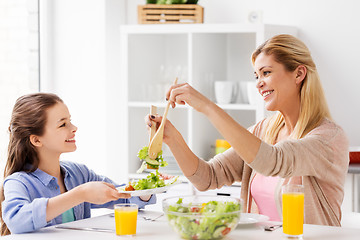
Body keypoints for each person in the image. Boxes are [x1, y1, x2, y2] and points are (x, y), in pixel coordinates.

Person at [145, 34, 349, 226]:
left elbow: (272, 161)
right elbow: (207, 177)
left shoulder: (328, 138)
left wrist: (207, 107)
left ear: (299, 74)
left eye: (266, 73)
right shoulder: (263, 130)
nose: (259, 83)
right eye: (256, 75)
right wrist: (172, 138)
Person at [0, 93, 155, 235]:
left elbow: (124, 198)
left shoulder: (79, 173)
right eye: (63, 124)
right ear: (36, 140)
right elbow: (16, 220)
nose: (74, 128)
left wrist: (148, 187)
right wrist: (80, 194)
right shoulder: (18, 182)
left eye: (70, 121)